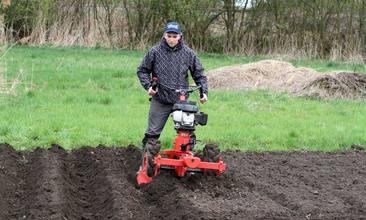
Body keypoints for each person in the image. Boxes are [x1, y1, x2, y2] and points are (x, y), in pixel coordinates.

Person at [136, 21, 208, 157]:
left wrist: (203, 92)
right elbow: (142, 71)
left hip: (180, 100)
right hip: (160, 98)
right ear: (164, 35)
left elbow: (199, 74)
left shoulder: (189, 54)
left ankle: (185, 158)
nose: (171, 39)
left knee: (187, 132)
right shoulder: (154, 52)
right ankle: (145, 159)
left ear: (180, 36)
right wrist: (148, 87)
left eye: (174, 36)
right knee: (152, 132)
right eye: (169, 36)